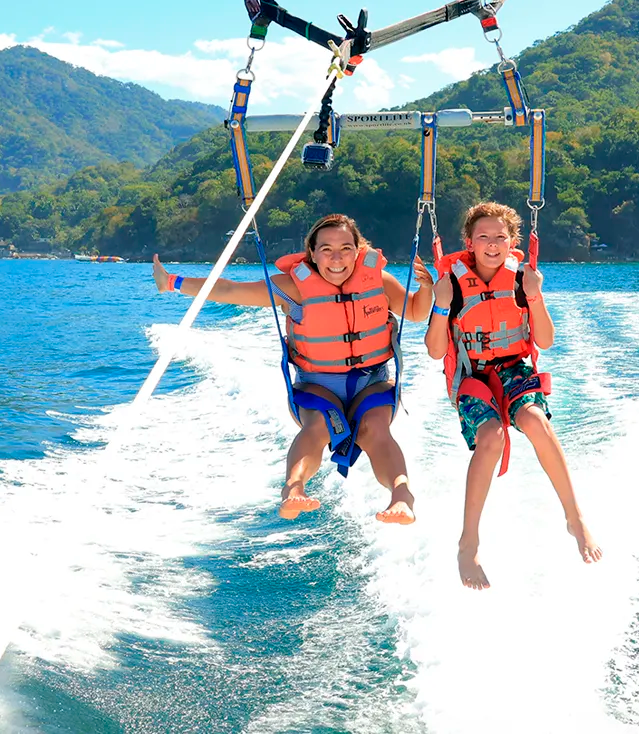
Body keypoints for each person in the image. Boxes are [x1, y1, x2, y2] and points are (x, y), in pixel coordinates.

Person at [154, 213, 432, 524]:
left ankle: (401, 495)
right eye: (326, 249)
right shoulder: (292, 288)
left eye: (346, 248)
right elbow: (231, 290)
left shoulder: (378, 281)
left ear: (358, 250)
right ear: (312, 253)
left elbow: (417, 312)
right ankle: (294, 489)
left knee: (375, 429)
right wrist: (172, 283)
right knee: (317, 427)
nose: (336, 258)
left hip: (372, 380)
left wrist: (427, 288)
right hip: (317, 383)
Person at [425, 200, 602, 589]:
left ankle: (575, 517)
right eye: (483, 237)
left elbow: (546, 341)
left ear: (512, 241)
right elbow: (437, 351)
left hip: (515, 369)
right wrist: (440, 307)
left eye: (500, 237)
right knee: (491, 436)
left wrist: (535, 296)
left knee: (534, 421)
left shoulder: (523, 280)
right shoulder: (450, 283)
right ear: (469, 242)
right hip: (473, 376)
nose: (492, 244)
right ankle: (468, 543)